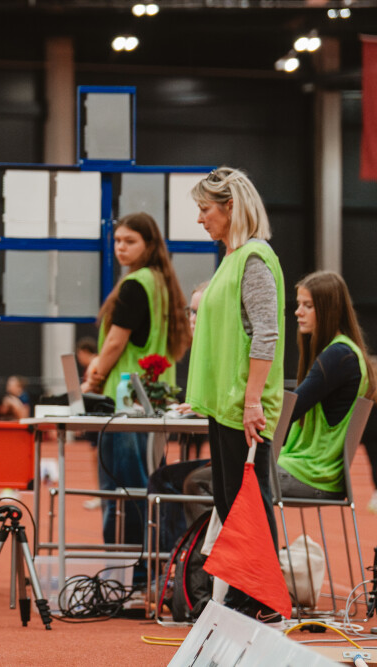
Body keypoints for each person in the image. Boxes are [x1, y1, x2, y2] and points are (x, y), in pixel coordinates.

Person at [187, 166, 286, 618]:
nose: (200, 219)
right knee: (229, 502)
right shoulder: (231, 258)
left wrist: (252, 400)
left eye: (205, 209)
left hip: (243, 404)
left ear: (230, 208)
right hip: (223, 402)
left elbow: (266, 333)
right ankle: (248, 594)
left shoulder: (255, 259)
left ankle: (263, 597)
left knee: (248, 503)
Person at [78, 212, 192, 582]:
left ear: (149, 244)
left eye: (130, 241)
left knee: (122, 492)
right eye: (117, 241)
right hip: (152, 402)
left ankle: (130, 575)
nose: (120, 247)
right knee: (146, 487)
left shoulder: (134, 285)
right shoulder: (162, 284)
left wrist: (93, 378)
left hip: (124, 404)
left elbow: (115, 342)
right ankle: (147, 570)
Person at [277, 272, 374, 500]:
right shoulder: (344, 352)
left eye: (308, 306)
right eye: (299, 304)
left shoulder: (339, 356)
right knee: (213, 474)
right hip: (312, 471)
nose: (298, 311)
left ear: (329, 310)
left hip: (310, 474)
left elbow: (289, 411)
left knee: (208, 478)